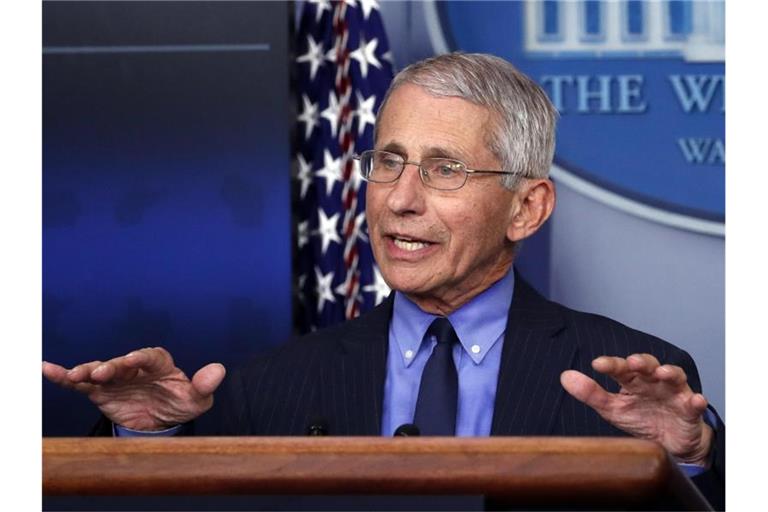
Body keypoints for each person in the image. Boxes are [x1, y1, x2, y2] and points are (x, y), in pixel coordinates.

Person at [42, 52, 724, 507]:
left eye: (445, 169)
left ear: (527, 207)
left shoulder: (630, 388)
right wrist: (148, 443)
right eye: (388, 161)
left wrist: (687, 465)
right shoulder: (268, 390)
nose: (400, 199)